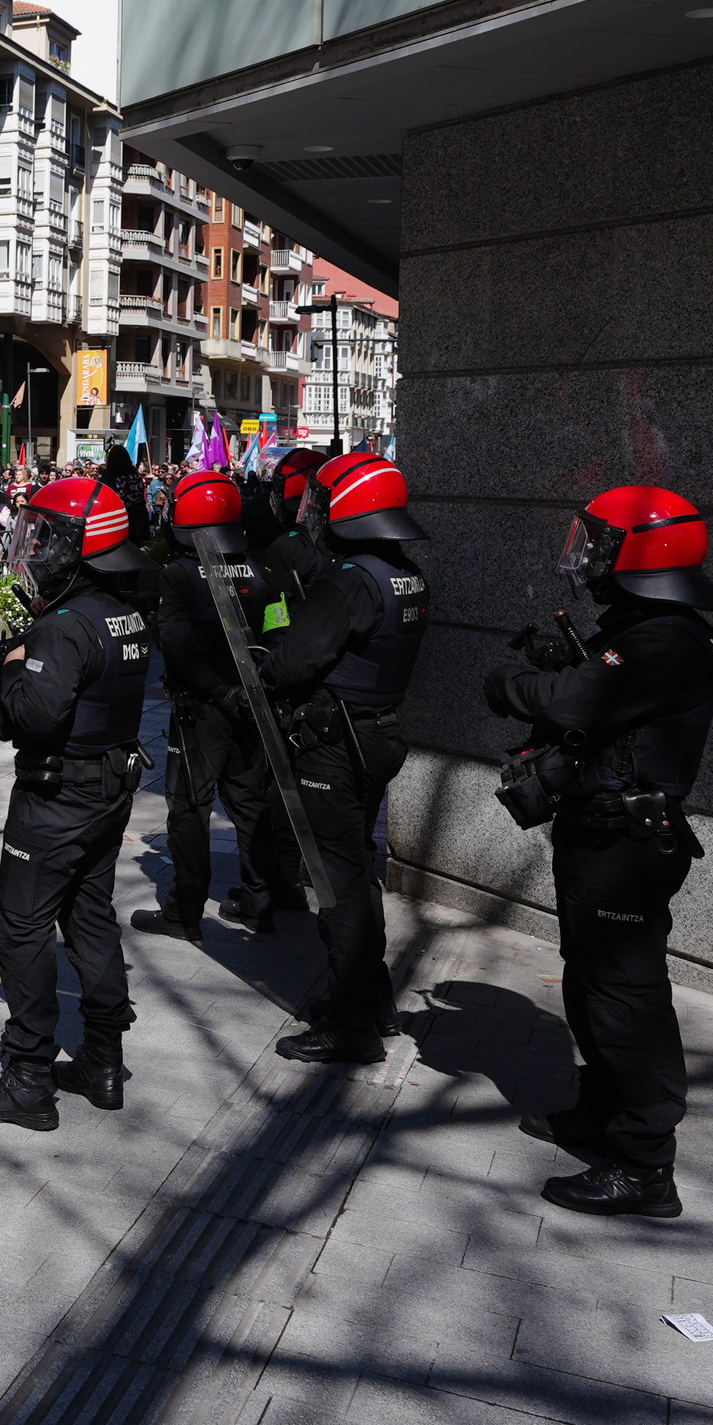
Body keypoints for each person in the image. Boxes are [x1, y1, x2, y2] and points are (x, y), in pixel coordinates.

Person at [486, 486, 713, 1220]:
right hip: (603, 833)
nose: (586, 557)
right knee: (593, 985)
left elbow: (570, 702)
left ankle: (645, 1166)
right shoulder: (650, 628)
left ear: (642, 552)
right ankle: (602, 1114)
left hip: (627, 844)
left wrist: (509, 684)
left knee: (627, 1000)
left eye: (599, 545)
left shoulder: (667, 639)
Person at [0, 477, 153, 1131]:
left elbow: (32, 719)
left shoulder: (66, 627)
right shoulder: (121, 613)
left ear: (81, 547)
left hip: (57, 793)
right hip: (109, 786)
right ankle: (103, 1061)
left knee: (22, 928)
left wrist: (9, 667)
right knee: (90, 915)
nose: (34, 545)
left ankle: (28, 1078)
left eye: (47, 535)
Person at [260, 452, 429, 1066]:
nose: (314, 514)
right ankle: (373, 1001)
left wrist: (273, 644)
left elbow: (292, 663)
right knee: (356, 872)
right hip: (376, 737)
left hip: (334, 745)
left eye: (322, 503)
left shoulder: (349, 579)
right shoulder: (403, 573)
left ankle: (352, 1022)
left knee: (340, 887)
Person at [136, 472, 305, 942]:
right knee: (249, 803)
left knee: (189, 807)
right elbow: (279, 631)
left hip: (201, 710)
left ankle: (185, 911)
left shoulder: (180, 573)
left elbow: (177, 645)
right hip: (251, 707)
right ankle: (259, 899)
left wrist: (218, 693)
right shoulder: (261, 569)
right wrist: (255, 690)